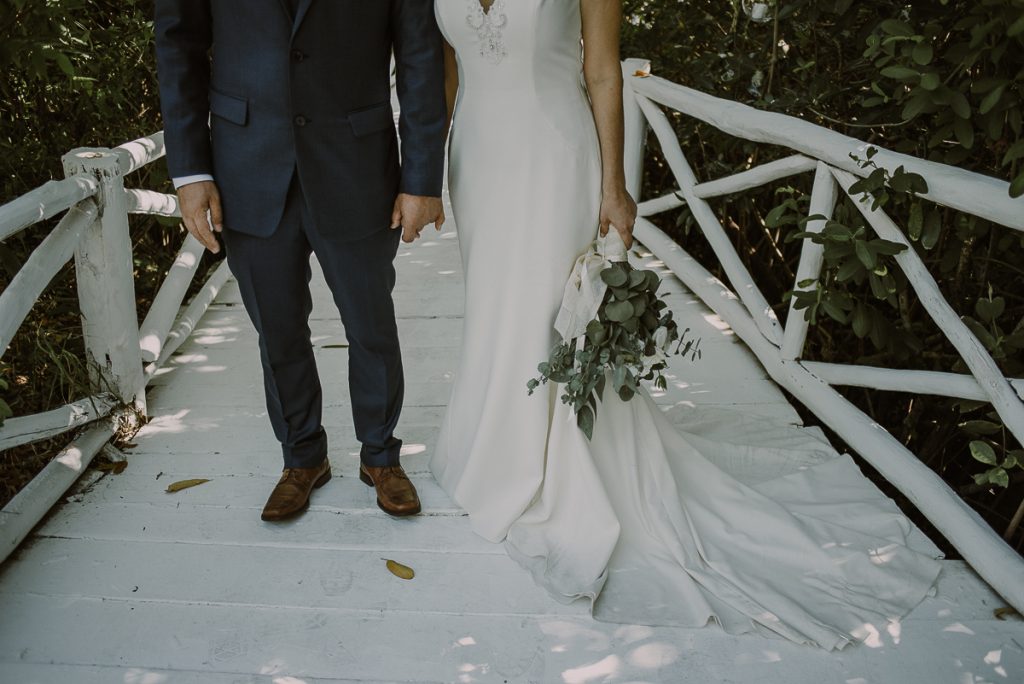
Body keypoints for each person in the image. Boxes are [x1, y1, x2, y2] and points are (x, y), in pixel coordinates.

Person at [429, 0, 943, 649]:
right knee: (497, 309)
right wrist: (425, 168)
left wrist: (613, 184)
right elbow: (444, 69)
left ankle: (553, 463)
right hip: (477, 160)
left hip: (555, 153)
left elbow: (604, 72)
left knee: (546, 313)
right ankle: (494, 445)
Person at [154, 0, 448, 521]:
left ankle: (381, 456)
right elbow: (179, 45)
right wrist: (190, 169)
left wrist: (421, 179)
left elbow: (420, 54)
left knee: (371, 324)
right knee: (277, 329)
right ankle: (301, 457)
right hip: (246, 166)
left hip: (356, 164)